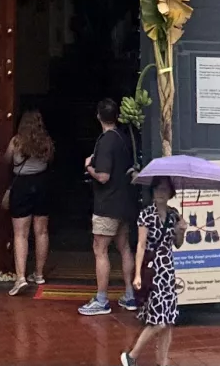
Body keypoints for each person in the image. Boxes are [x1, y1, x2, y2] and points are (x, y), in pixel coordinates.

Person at [79, 97, 137, 316]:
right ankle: (130, 294)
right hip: (124, 203)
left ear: (98, 117)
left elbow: (103, 176)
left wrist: (89, 167)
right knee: (124, 248)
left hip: (107, 204)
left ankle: (102, 299)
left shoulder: (105, 141)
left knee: (100, 249)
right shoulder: (123, 138)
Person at [121, 176, 187, 366]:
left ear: (170, 194)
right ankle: (131, 356)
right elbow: (141, 245)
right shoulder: (146, 215)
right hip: (153, 270)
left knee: (168, 320)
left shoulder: (174, 215)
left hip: (168, 269)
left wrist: (181, 230)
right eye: (157, 189)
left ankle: (163, 361)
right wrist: (137, 274)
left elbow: (178, 244)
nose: (160, 193)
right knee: (158, 320)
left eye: (164, 190)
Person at [6, 109, 55, 295]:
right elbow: (50, 161)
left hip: (22, 185)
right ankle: (39, 274)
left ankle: (20, 278)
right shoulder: (46, 142)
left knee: (20, 234)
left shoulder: (16, 141)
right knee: (41, 231)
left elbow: (7, 160)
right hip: (42, 184)